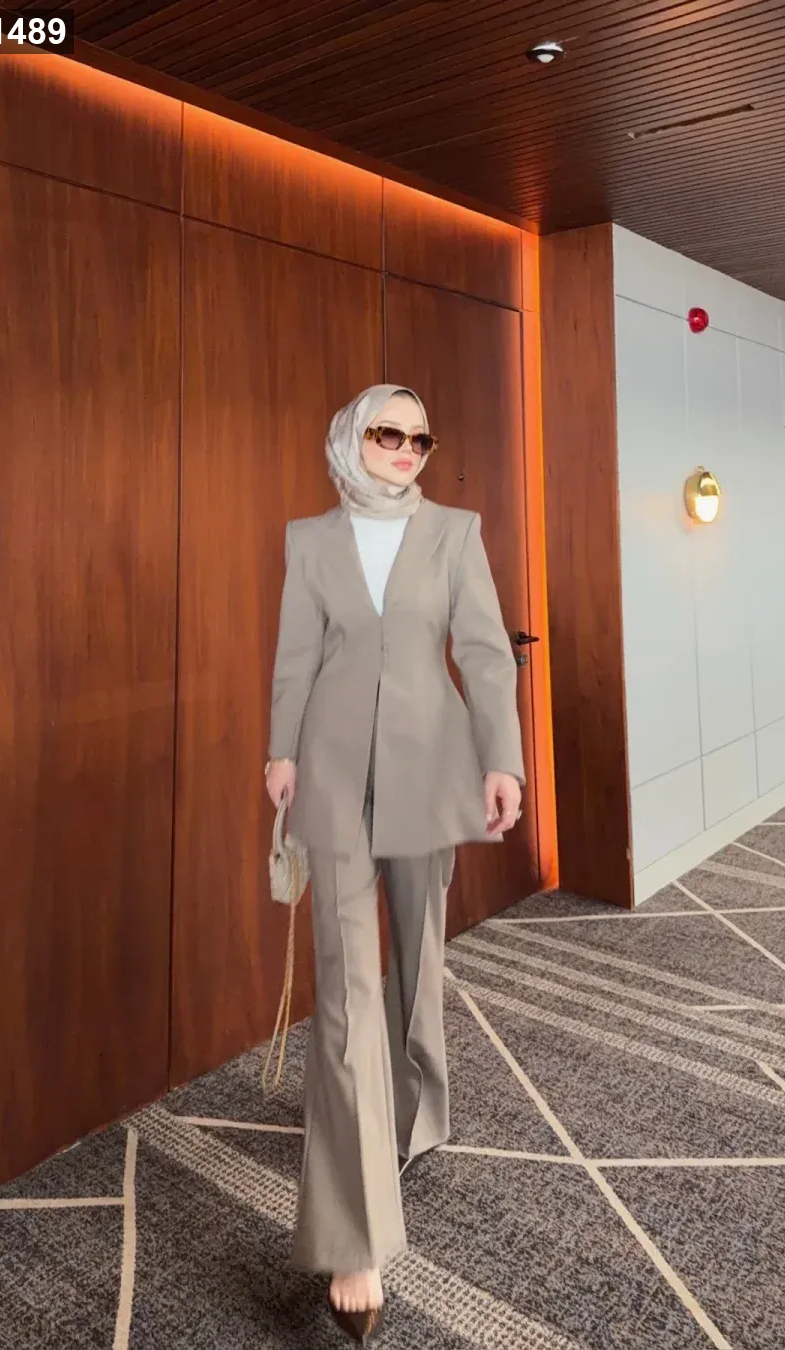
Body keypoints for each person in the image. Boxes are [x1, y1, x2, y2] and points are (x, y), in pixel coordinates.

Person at [265, 384, 524, 1344]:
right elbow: (295, 656)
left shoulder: (455, 533)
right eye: (388, 433)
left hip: (428, 770)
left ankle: (412, 1117)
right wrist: (280, 752)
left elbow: (485, 653)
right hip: (333, 776)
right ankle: (356, 1233)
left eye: (420, 437)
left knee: (418, 965)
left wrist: (503, 760)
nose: (407, 449)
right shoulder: (309, 541)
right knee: (346, 990)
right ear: (351, 439)